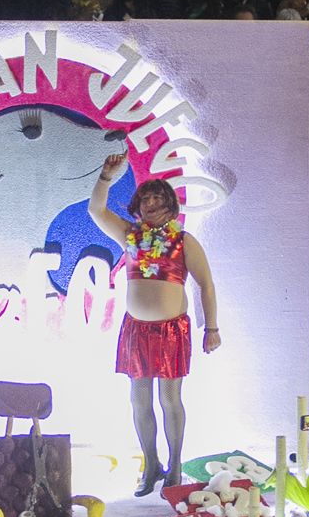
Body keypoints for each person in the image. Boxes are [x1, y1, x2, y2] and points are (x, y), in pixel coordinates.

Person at [90, 150, 220, 494]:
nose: (150, 205)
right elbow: (96, 211)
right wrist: (106, 176)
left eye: (158, 200)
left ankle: (175, 466)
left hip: (171, 330)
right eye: (145, 199)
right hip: (135, 329)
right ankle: (151, 465)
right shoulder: (130, 235)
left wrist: (212, 328)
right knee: (138, 400)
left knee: (170, 400)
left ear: (170, 207)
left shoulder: (183, 241)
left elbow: (206, 284)